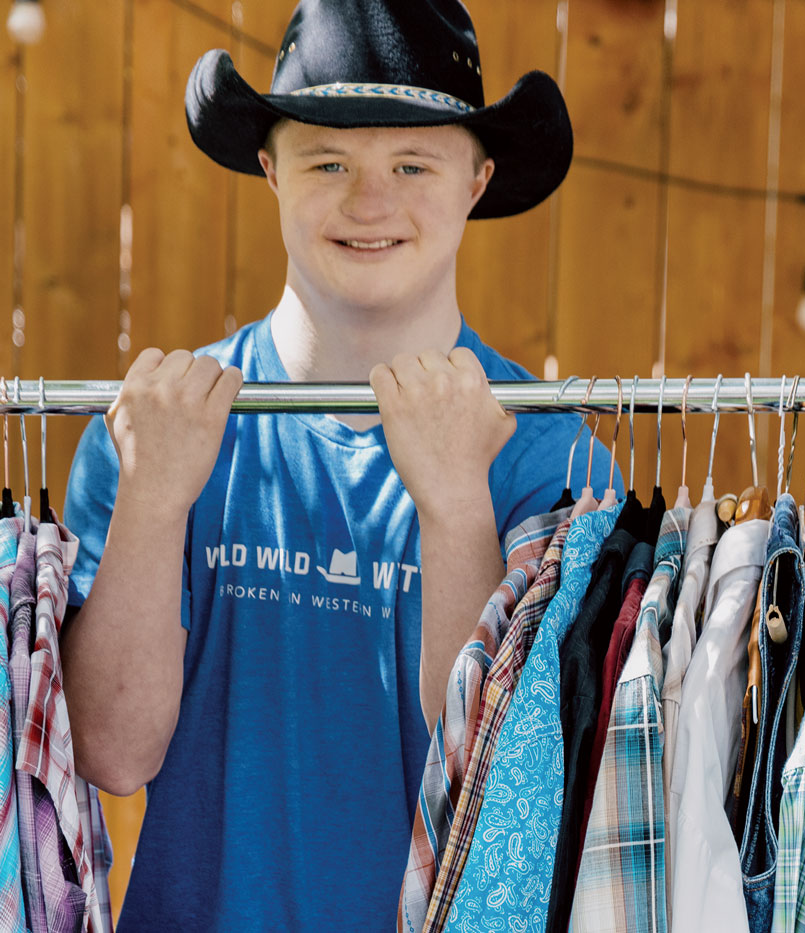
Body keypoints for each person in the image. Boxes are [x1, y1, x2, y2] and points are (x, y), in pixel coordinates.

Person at [57, 0, 613, 928]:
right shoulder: (156, 432)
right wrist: (154, 500)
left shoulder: (553, 459)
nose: (369, 201)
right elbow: (112, 752)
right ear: (270, 169)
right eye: (327, 161)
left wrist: (455, 507)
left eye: (412, 162)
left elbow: (503, 794)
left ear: (477, 178)